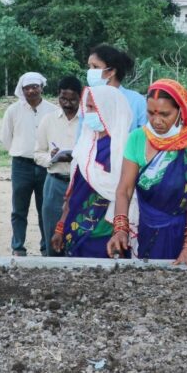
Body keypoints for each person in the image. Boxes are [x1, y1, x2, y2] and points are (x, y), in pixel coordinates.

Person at [107, 79, 187, 267]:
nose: (156, 121)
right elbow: (124, 188)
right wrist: (120, 229)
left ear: (181, 110)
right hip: (150, 227)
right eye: (150, 113)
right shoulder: (138, 137)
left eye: (165, 114)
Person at [50, 85, 134, 258]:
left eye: (92, 108)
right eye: (86, 107)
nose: (86, 113)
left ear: (108, 110)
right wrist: (61, 225)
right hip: (75, 227)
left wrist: (118, 231)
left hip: (107, 233)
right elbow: (74, 189)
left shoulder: (122, 149)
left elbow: (125, 193)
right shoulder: (85, 144)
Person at [1, 72, 57, 256]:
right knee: (19, 209)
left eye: (35, 87)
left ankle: (45, 247)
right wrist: (20, 152)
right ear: (22, 90)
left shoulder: (52, 110)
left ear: (41, 87)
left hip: (45, 166)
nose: (31, 91)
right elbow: (6, 139)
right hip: (21, 165)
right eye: (27, 88)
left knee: (45, 209)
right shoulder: (13, 110)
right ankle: (18, 247)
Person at [34, 76, 82, 257]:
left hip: (79, 183)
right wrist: (52, 158)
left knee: (78, 231)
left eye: (72, 99)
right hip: (55, 183)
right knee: (52, 232)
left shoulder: (86, 121)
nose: (67, 103)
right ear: (58, 96)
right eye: (63, 98)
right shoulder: (48, 120)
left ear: (80, 96)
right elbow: (38, 153)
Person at [86, 44, 147, 132]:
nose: (90, 71)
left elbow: (143, 137)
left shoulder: (136, 101)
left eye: (95, 67)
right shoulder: (88, 100)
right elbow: (81, 135)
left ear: (111, 72)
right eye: (89, 67)